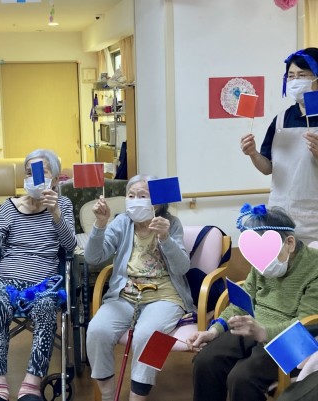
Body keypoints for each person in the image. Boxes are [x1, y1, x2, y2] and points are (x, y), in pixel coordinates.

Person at [188, 204, 318, 401]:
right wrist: (215, 330)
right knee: (205, 361)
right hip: (255, 326)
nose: (260, 263)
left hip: (294, 338)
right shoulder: (263, 260)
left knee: (242, 378)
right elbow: (241, 303)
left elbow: (308, 323)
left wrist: (264, 332)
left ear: (290, 243)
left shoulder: (314, 268)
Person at [0, 149, 76, 401]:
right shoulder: (9, 207)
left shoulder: (63, 204)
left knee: (45, 309)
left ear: (55, 179)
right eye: (29, 172)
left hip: (43, 282)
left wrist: (55, 213)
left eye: (41, 172)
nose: (34, 177)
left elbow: (69, 246)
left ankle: (31, 385)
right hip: (6, 278)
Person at [85, 174, 193, 401]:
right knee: (97, 331)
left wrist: (165, 238)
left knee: (148, 335)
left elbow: (182, 267)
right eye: (131, 196)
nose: (135, 201)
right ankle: (107, 396)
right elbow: (93, 258)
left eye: (142, 196)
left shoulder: (171, 223)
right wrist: (100, 225)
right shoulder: (122, 222)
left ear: (157, 202)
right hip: (125, 295)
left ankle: (138, 396)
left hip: (165, 296)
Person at [240, 47, 318, 244]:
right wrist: (253, 154)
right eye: (291, 76)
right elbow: (268, 168)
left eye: (302, 75)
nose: (295, 81)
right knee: (282, 261)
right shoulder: (281, 119)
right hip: (280, 214)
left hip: (314, 217)